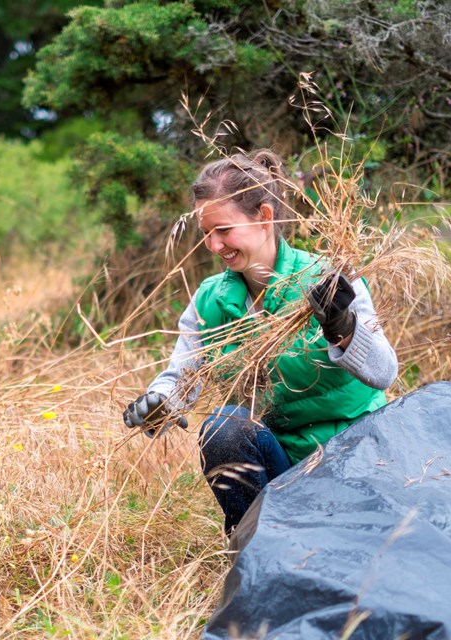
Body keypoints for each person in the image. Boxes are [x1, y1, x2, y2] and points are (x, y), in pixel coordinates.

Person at [123, 150, 398, 535]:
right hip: (283, 469)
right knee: (224, 428)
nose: (214, 245)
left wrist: (344, 327)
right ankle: (258, 547)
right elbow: (182, 377)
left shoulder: (326, 278)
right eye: (206, 233)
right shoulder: (210, 300)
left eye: (223, 230)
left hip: (354, 464)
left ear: (265, 217)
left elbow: (385, 372)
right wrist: (160, 404)